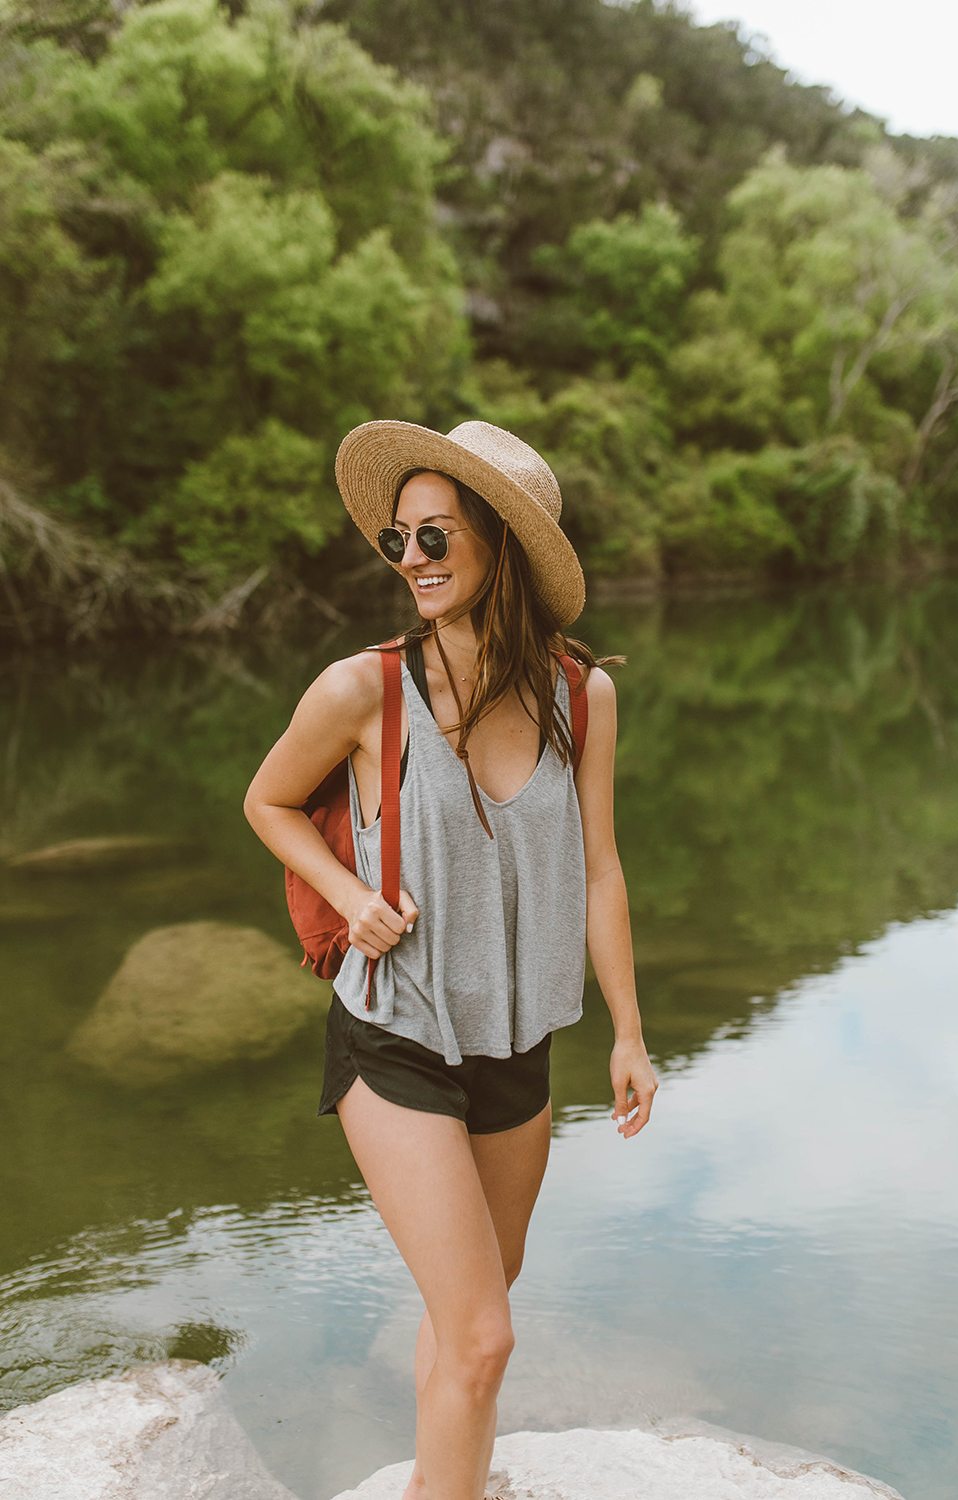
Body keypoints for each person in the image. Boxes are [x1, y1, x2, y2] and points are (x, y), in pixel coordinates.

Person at [244, 420, 658, 1500]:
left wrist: (627, 1031)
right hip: (396, 1039)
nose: (412, 561)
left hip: (517, 1046)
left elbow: (602, 870)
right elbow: (268, 801)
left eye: (436, 537)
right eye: (398, 541)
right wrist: (349, 896)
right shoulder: (363, 690)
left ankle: (444, 1477)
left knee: (465, 1315)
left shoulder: (582, 698)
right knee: (483, 1339)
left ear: (501, 548)